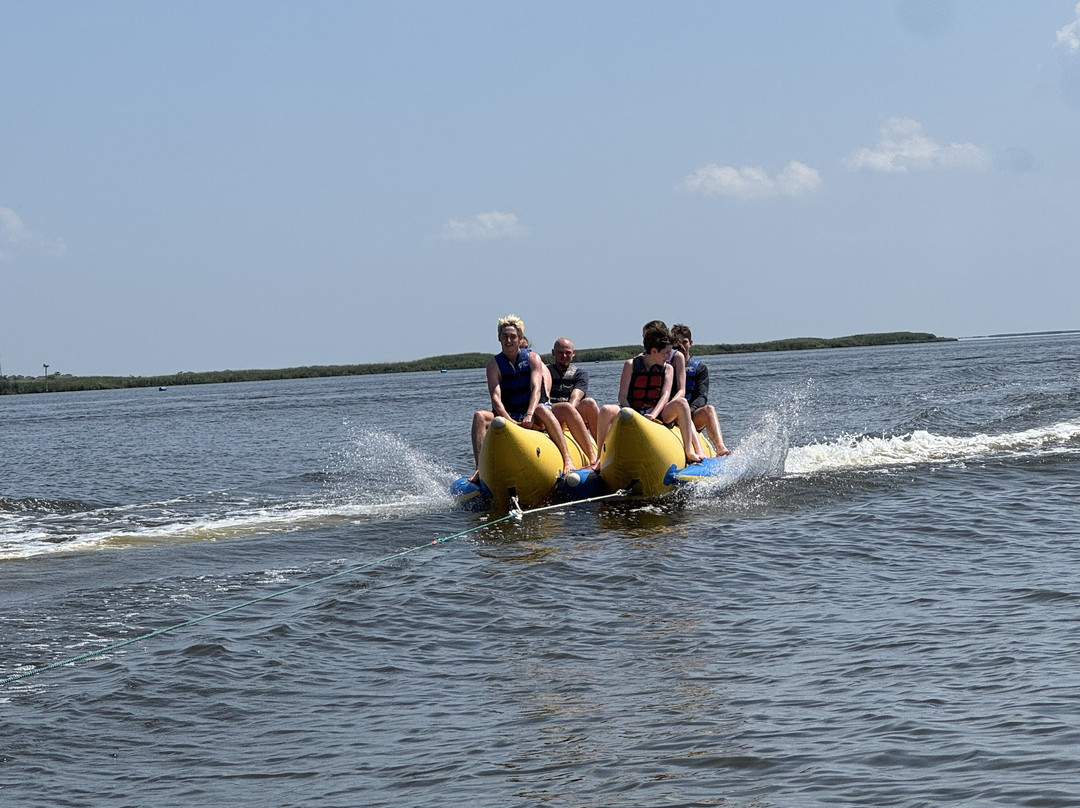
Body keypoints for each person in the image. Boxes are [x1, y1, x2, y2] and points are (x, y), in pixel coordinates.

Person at [469, 315, 577, 481]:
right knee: (479, 416)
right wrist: (508, 420)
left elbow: (536, 389)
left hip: (534, 412)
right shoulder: (493, 365)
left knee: (542, 408)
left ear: (519, 338)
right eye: (505, 336)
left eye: (513, 336)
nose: (509, 340)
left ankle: (567, 458)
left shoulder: (533, 358)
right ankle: (480, 469)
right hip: (510, 413)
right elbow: (496, 398)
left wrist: (529, 414)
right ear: (499, 338)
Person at [594, 323, 704, 467]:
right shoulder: (630, 365)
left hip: (658, 412)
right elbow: (622, 396)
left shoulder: (668, 369)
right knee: (605, 410)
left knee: (682, 402)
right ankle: (599, 458)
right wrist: (632, 414)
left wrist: (653, 414)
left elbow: (665, 395)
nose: (668, 356)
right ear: (653, 351)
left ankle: (689, 450)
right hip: (633, 409)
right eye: (666, 353)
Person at [671, 323, 731, 456]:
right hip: (671, 413)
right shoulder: (667, 367)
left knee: (709, 409)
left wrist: (687, 412)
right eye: (677, 343)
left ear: (690, 343)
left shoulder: (700, 368)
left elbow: (702, 396)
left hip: (691, 415)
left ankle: (721, 449)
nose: (681, 346)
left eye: (684, 342)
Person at [548, 337, 600, 439]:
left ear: (573, 353)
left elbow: (575, 397)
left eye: (568, 353)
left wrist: (568, 412)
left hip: (572, 411)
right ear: (553, 353)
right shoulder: (544, 372)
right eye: (560, 352)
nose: (564, 356)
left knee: (589, 402)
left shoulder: (580, 374)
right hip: (551, 412)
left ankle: (601, 445)